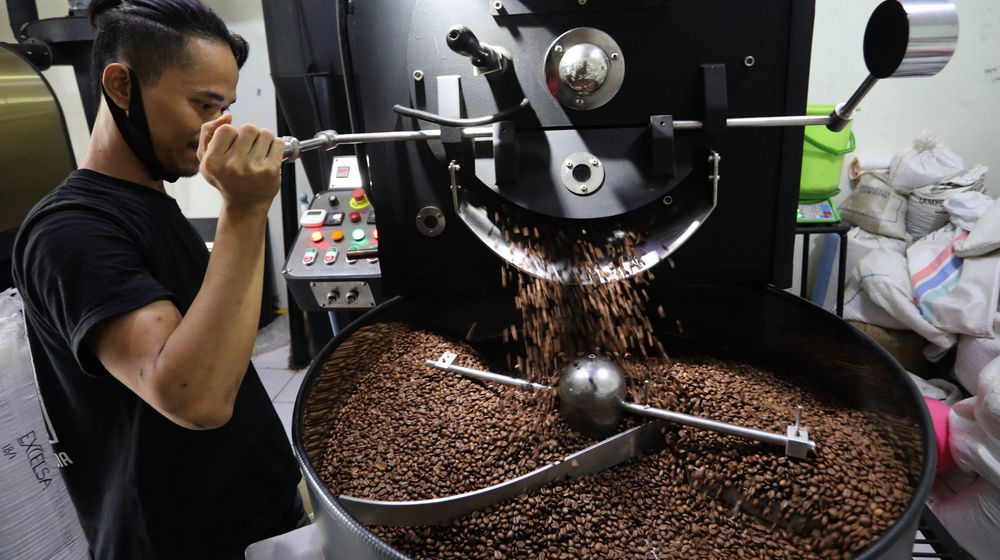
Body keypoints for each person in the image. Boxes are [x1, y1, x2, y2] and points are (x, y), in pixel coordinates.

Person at [11, 1, 306, 558]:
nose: (218, 127)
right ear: (121, 87)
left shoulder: (152, 201)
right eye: (203, 105)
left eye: (226, 108)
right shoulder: (70, 231)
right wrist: (244, 211)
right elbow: (194, 399)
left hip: (254, 509)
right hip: (181, 542)